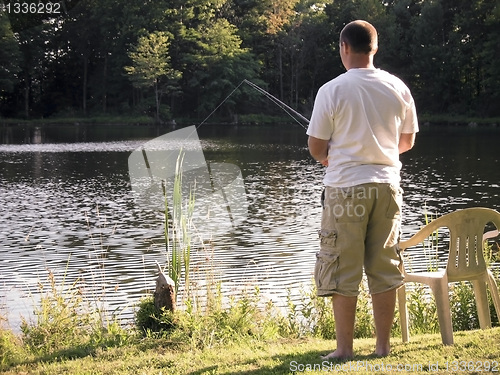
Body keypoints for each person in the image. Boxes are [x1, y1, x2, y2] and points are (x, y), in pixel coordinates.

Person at [306, 20, 418, 359]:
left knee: (342, 266)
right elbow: (407, 141)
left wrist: (330, 158)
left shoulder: (332, 90)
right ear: (375, 47)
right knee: (384, 266)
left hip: (345, 191)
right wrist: (377, 156)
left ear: (344, 47)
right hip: (387, 188)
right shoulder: (398, 87)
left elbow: (315, 146)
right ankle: (383, 347)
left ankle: (344, 351)